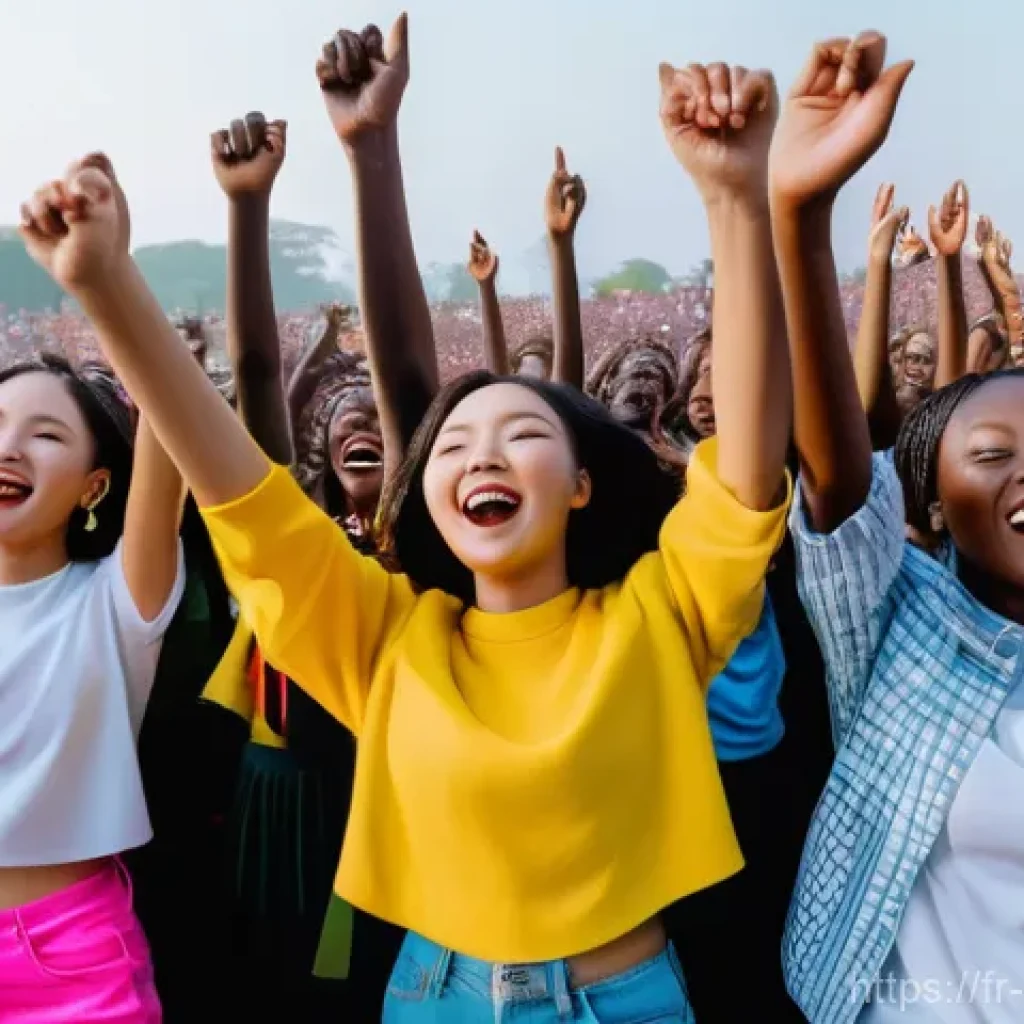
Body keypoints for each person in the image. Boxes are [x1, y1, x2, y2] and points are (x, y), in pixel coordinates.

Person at [19, 26, 792, 1023]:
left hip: (629, 1001)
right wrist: (105, 282)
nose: (482, 455)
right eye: (454, 445)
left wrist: (736, 200)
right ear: (425, 495)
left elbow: (744, 475)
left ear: (582, 485)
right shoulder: (386, 639)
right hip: (436, 997)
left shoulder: (662, 612)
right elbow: (244, 495)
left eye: (522, 433)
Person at [769, 27, 1024, 1024]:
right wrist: (801, 215)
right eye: (992, 454)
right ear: (931, 509)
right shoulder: (900, 630)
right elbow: (837, 478)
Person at [0, 352, 185, 1020]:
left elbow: (170, 414)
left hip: (69, 963)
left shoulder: (115, 603)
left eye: (46, 434)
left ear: (94, 487)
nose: (9, 447)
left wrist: (126, 318)